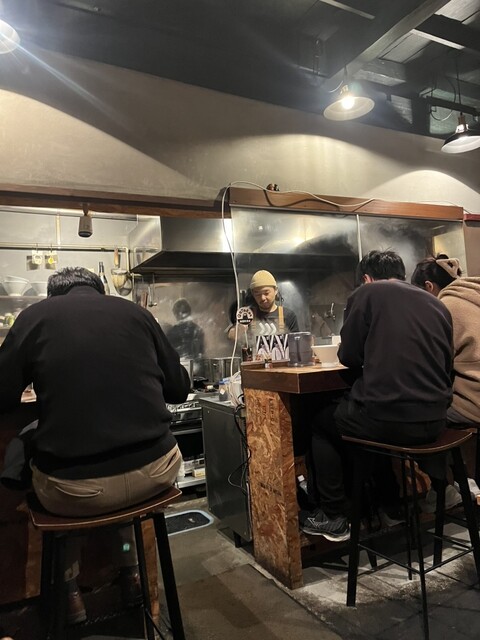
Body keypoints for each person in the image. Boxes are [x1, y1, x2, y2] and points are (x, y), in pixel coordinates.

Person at [0, 267, 190, 624]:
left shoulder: (34, 317)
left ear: (52, 295)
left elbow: (2, 395)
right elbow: (179, 389)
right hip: (158, 472)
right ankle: (132, 575)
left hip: (74, 493)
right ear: (99, 290)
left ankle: (70, 593)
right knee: (115, 461)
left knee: (50, 459)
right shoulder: (136, 313)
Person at [303, 250, 453, 540]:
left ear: (366, 278)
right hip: (437, 422)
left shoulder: (367, 294)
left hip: (389, 421)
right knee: (371, 417)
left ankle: (334, 516)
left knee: (322, 423)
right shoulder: (436, 303)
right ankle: (391, 506)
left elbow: (348, 356)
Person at [227, 270, 299, 342]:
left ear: (275, 290)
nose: (262, 298)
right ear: (253, 294)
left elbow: (297, 342)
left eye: (266, 293)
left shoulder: (288, 315)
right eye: (257, 294)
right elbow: (230, 336)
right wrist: (238, 330)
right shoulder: (248, 314)